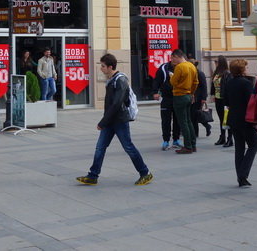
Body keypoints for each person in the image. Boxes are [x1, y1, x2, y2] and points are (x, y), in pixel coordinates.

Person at [76, 53, 153, 186]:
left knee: (128, 147)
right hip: (110, 120)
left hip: (119, 120)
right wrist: (105, 121)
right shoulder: (111, 79)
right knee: (100, 147)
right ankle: (93, 175)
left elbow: (117, 104)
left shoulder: (120, 80)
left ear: (110, 67)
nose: (101, 68)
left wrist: (102, 122)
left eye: (103, 66)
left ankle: (145, 173)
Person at [224, 58, 257, 187]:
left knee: (239, 147)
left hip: (233, 118)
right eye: (246, 67)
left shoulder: (229, 82)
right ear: (242, 69)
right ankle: (243, 175)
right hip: (246, 119)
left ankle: (240, 176)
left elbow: (226, 101)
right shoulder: (246, 83)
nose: (247, 69)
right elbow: (251, 103)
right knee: (253, 146)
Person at [170, 49, 198, 154]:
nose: (172, 60)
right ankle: (193, 144)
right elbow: (196, 82)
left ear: (177, 56)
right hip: (188, 95)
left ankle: (188, 146)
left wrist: (171, 76)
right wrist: (192, 93)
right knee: (188, 120)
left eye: (173, 58)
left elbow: (173, 82)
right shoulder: (191, 66)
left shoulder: (179, 67)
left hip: (179, 96)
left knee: (182, 122)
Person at [152, 55, 182, 150]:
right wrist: (155, 92)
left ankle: (176, 140)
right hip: (166, 98)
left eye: (176, 58)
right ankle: (166, 141)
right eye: (172, 57)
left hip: (178, 97)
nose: (174, 60)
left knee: (177, 120)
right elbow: (157, 80)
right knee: (166, 120)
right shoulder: (164, 67)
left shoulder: (181, 67)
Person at [211, 55, 233, 148]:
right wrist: (212, 94)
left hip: (225, 99)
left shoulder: (227, 73)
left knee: (227, 119)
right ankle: (222, 136)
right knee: (221, 119)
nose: (215, 63)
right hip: (218, 98)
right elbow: (213, 84)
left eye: (217, 61)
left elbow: (229, 86)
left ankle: (230, 138)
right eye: (215, 61)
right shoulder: (216, 72)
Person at [189, 57, 211, 140]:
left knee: (194, 115)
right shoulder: (191, 73)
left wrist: (204, 98)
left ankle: (195, 133)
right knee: (194, 115)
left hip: (198, 98)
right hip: (192, 97)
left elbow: (204, 86)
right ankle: (206, 126)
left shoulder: (200, 73)